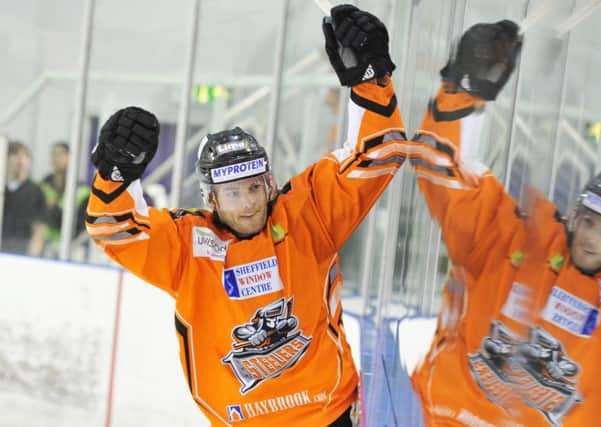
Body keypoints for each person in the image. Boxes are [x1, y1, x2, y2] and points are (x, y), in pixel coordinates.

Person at [86, 5, 406, 426]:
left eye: (254, 187)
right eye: (232, 192)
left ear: (270, 183)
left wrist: (369, 79)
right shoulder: (188, 245)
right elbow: (117, 229)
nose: (249, 201)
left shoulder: (307, 216)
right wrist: (115, 175)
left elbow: (378, 154)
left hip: (330, 417)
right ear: (211, 199)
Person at [409, 20, 601, 426]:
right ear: (575, 214)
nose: (589, 237)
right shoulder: (517, 236)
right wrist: (460, 93)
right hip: (439, 416)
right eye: (587, 222)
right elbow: (442, 172)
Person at [39, 142, 90, 257]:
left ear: (71, 158)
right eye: (54, 154)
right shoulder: (43, 185)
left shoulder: (83, 191)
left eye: (61, 154)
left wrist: (53, 208)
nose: (57, 158)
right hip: (42, 245)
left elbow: (78, 228)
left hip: (70, 248)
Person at [1, 141, 47, 256]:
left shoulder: (36, 191)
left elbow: (39, 227)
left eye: (25, 157)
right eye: (15, 156)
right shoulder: (2, 188)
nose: (20, 161)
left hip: (22, 251)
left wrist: (32, 254)